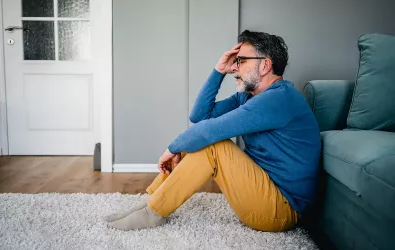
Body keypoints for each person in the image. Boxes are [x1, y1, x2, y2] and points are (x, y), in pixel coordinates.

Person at [105, 30, 321, 232]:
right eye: (235, 62)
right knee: (199, 139)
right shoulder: (248, 97)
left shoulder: (278, 99)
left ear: (265, 66)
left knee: (214, 144)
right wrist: (219, 70)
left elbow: (209, 131)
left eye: (241, 61)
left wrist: (171, 148)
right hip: (263, 191)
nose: (235, 67)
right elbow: (200, 117)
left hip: (281, 210)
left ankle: (153, 212)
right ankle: (151, 203)